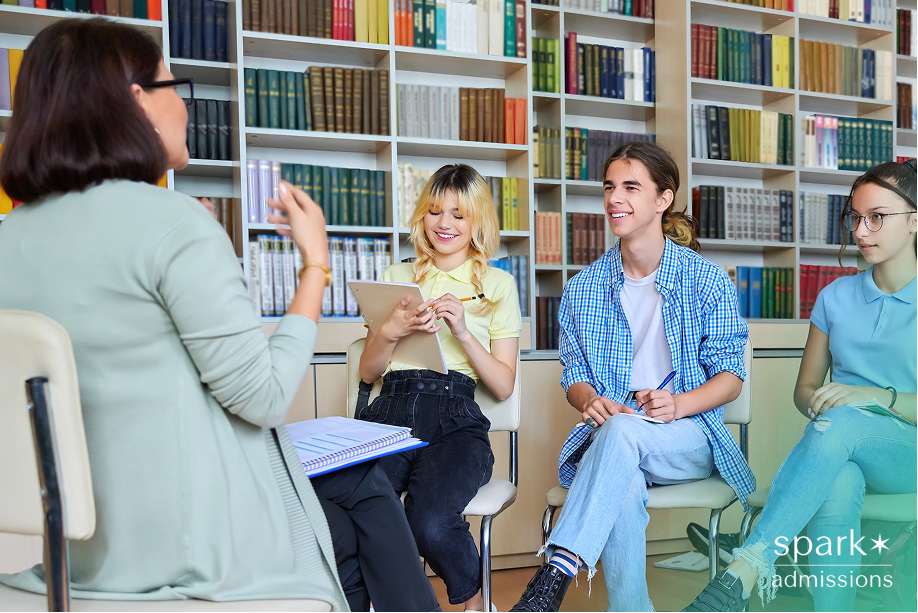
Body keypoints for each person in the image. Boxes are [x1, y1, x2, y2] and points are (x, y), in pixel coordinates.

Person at [0, 18, 438, 612]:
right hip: (193, 549)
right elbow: (262, 398)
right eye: (174, 87)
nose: (183, 107)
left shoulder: (9, 238)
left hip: (74, 553)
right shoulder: (174, 223)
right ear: (137, 104)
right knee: (359, 486)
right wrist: (314, 266)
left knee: (346, 503)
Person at [510, 142, 753, 612]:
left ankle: (556, 569)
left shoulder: (705, 280)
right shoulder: (585, 286)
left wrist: (679, 404)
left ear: (663, 199)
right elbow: (575, 375)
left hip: (688, 437)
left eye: (630, 187)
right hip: (616, 443)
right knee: (620, 470)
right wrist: (588, 401)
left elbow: (731, 376)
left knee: (619, 436)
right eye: (609, 187)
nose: (614, 198)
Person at [684, 160, 917, 613]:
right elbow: (804, 390)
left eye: (877, 217)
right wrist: (826, 403)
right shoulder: (834, 297)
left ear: (914, 221)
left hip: (908, 452)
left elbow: (860, 407)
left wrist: (870, 399)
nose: (862, 230)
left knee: (844, 423)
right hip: (841, 448)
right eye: (855, 217)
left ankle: (746, 566)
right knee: (839, 479)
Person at [357, 164, 521, 611]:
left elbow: (504, 385)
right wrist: (389, 330)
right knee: (359, 509)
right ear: (421, 217)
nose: (444, 224)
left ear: (477, 222)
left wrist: (464, 332)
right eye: (434, 211)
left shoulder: (498, 285)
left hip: (455, 415)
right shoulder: (395, 276)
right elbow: (368, 373)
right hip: (389, 410)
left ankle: (477, 601)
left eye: (458, 214)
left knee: (428, 520)